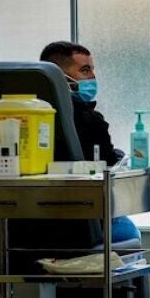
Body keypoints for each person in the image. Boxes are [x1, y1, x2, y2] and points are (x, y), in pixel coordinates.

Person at [40, 41, 139, 246]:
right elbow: (108, 164)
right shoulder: (90, 120)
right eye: (85, 70)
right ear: (61, 79)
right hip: (80, 225)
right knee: (129, 232)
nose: (93, 77)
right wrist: (119, 157)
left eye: (92, 70)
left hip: (35, 226)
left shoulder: (25, 118)